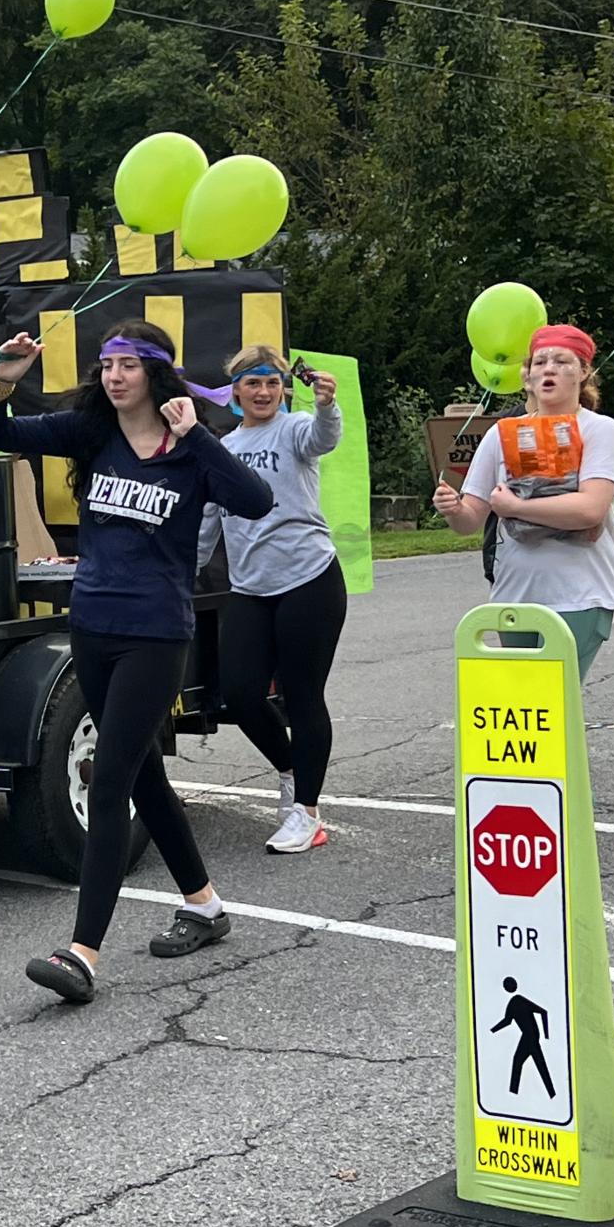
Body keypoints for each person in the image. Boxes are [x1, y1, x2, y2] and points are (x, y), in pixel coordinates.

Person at [0, 320, 274, 1004]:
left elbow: (255, 501)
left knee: (107, 783)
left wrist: (196, 432)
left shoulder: (188, 449)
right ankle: (202, 904)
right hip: (92, 627)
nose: (112, 376)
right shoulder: (91, 431)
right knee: (142, 777)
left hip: (155, 635)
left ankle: (81, 952)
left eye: (127, 365)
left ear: (155, 374)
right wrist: (4, 378)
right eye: (105, 364)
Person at [197, 345, 347, 855]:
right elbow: (208, 521)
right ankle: (291, 770)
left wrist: (327, 404)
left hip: (310, 579)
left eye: (272, 383)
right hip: (250, 589)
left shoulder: (296, 429)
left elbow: (324, 437)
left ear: (284, 388)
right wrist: (181, 573)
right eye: (252, 383)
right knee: (239, 695)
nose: (263, 392)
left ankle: (307, 812)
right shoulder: (223, 447)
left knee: (304, 695)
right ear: (236, 391)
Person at [432, 324, 614, 677]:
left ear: (584, 372)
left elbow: (589, 510)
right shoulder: (502, 432)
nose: (549, 369)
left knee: (557, 704)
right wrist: (452, 507)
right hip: (515, 596)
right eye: (540, 362)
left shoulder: (599, 429)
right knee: (529, 712)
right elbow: (470, 520)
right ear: (526, 377)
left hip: (580, 596)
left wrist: (516, 508)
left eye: (562, 361)